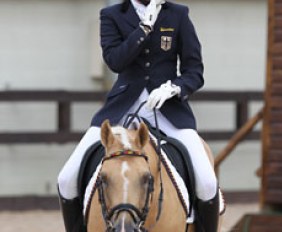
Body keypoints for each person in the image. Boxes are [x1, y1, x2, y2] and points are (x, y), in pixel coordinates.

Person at [57, 0, 219, 231]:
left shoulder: (178, 14)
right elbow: (115, 61)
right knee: (66, 178)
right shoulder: (111, 14)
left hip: (168, 109)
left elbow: (195, 71)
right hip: (121, 110)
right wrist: (143, 29)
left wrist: (174, 88)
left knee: (207, 181)